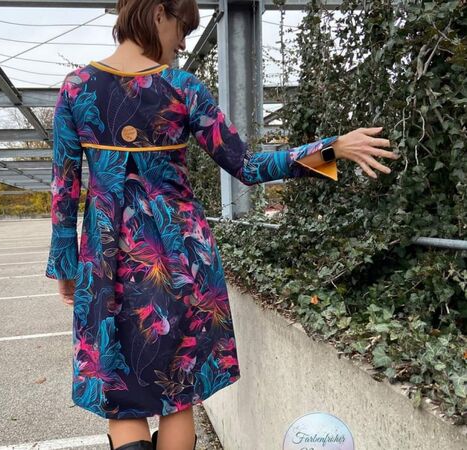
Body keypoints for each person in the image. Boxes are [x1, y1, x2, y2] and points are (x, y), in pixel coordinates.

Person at [44, 1, 400, 449]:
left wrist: (66, 268)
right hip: (182, 262)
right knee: (178, 394)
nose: (182, 43)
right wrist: (332, 148)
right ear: (159, 12)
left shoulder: (77, 88)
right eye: (183, 28)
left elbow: (64, 189)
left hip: (107, 264)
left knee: (120, 396)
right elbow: (247, 166)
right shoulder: (183, 88)